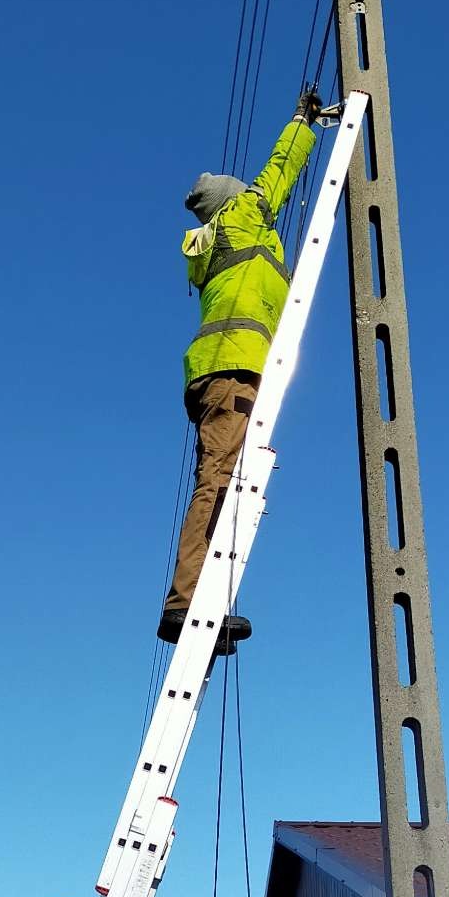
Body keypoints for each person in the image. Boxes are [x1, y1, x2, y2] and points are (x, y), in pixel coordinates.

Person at [159, 87, 324, 649]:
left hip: (219, 373)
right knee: (219, 481)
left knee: (225, 483)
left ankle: (201, 601)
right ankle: (186, 605)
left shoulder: (215, 249)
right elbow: (279, 171)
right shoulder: (246, 216)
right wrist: (304, 120)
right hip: (234, 373)